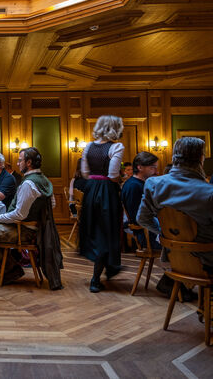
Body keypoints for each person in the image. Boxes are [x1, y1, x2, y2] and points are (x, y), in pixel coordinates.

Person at [137, 137, 213, 333]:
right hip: (209, 259)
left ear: (175, 157)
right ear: (201, 159)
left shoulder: (153, 183)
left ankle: (210, 301)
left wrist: (166, 234)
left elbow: (142, 219)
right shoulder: (210, 192)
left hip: (176, 257)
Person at [0, 147, 63, 289]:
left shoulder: (28, 183)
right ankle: (9, 266)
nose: (17, 163)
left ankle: (11, 269)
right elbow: (52, 204)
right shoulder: (44, 180)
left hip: (24, 230)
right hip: (34, 228)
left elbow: (19, 215)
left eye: (20, 160)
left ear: (28, 163)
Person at [79, 115, 125, 293]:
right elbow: (113, 175)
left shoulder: (88, 146)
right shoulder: (116, 146)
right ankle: (99, 275)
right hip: (107, 191)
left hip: (91, 190)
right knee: (108, 230)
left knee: (96, 230)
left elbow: (84, 172)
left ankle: (107, 268)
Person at [121, 152, 159, 249]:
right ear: (140, 168)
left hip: (150, 231)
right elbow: (138, 218)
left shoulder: (138, 183)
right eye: (152, 167)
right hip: (147, 235)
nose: (156, 172)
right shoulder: (134, 186)